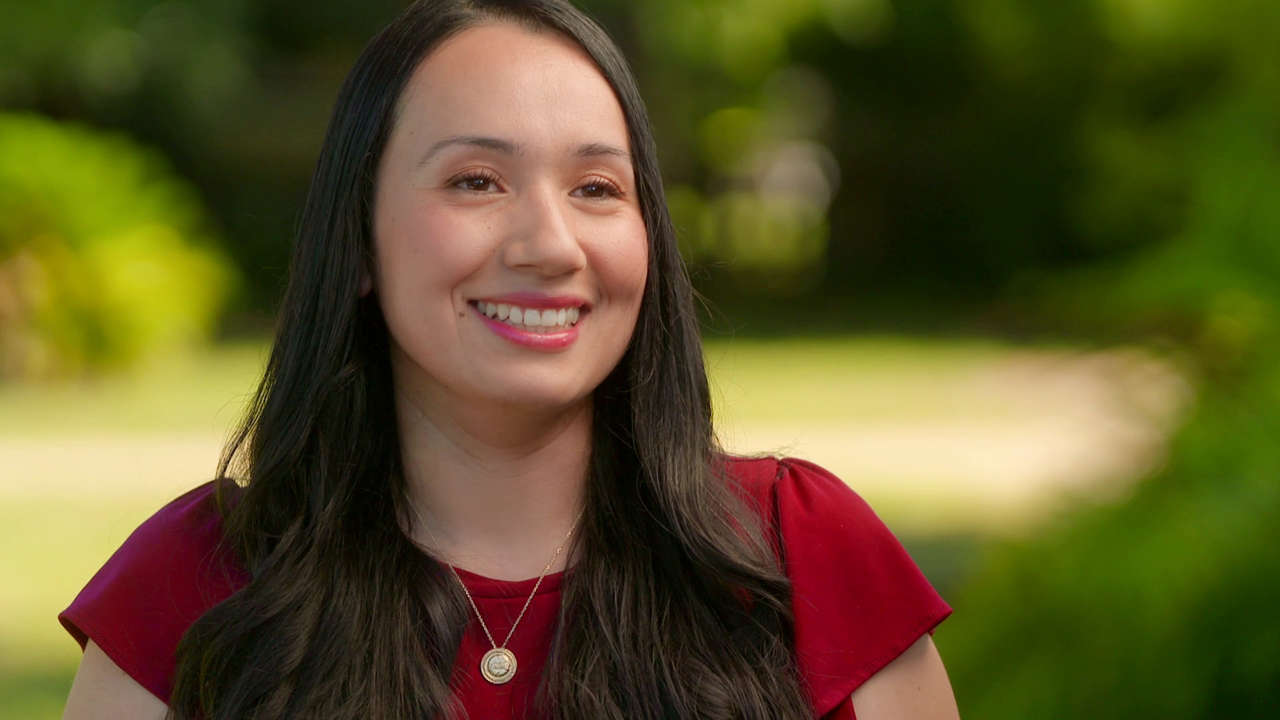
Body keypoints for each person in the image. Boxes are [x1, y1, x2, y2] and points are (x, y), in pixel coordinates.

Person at [59, 1, 960, 718]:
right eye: (476, 181)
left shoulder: (803, 554)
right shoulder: (196, 584)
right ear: (359, 239)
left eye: (597, 188)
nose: (551, 245)